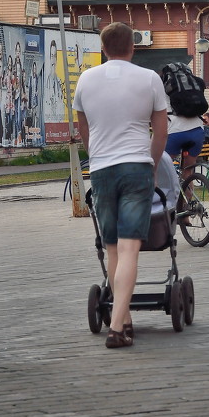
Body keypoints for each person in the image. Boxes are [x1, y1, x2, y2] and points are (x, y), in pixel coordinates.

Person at [73, 22, 168, 349]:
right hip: (136, 167)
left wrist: (95, 153)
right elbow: (161, 131)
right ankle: (116, 326)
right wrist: (153, 167)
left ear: (103, 48)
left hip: (102, 170)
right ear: (133, 46)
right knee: (129, 248)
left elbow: (82, 123)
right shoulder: (150, 79)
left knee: (112, 247)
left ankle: (124, 319)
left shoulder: (86, 79)